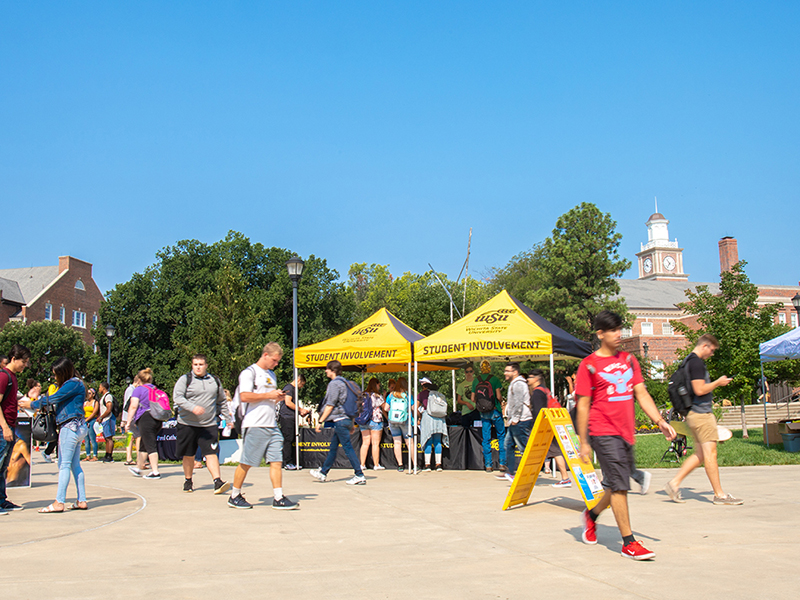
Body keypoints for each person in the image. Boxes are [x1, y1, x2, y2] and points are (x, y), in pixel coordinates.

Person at [576, 310, 676, 560]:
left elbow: (641, 394)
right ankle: (628, 543)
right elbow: (584, 406)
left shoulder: (629, 361)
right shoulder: (588, 365)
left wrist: (660, 420)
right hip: (603, 431)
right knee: (621, 486)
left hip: (625, 432)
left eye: (620, 329)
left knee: (614, 484)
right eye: (612, 330)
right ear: (600, 333)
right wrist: (584, 442)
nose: (619, 334)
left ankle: (592, 515)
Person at [664, 334, 743, 506]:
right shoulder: (696, 363)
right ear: (705, 346)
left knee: (700, 455)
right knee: (710, 454)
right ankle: (719, 495)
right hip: (701, 415)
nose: (712, 354)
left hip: (693, 414)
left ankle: (674, 483)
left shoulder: (687, 361)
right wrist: (718, 382)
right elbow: (699, 389)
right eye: (712, 350)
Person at [228, 343, 297, 510]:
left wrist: (276, 398)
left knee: (276, 460)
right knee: (247, 461)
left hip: (271, 424)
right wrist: (269, 395)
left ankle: (278, 497)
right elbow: (244, 396)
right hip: (255, 423)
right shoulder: (249, 373)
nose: (276, 364)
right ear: (265, 355)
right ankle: (234, 495)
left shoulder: (271, 375)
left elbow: (266, 398)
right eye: (274, 360)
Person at [22, 356, 91, 513]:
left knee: (64, 464)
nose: (54, 377)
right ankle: (81, 500)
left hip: (70, 427)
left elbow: (54, 399)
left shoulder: (72, 383)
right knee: (74, 465)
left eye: (55, 374)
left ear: (63, 372)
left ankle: (59, 502)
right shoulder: (78, 383)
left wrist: (31, 404)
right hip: (79, 426)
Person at [173, 354, 232, 495]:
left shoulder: (214, 381)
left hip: (208, 424)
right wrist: (192, 407)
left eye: (201, 364)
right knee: (188, 455)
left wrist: (228, 419)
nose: (198, 367)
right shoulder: (185, 380)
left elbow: (222, 401)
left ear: (206, 365)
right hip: (187, 423)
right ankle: (188, 480)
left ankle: (217, 481)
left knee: (211, 453)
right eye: (195, 364)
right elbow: (177, 397)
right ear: (192, 365)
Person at [309, 360, 366, 485]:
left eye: (327, 369)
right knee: (334, 448)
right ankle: (323, 473)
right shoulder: (345, 382)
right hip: (345, 419)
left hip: (340, 419)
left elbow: (330, 404)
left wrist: (320, 420)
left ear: (332, 371)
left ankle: (359, 474)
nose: (325, 371)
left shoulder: (335, 384)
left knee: (347, 447)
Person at [527, 369, 571, 487]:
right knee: (553, 451)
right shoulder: (545, 390)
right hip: (552, 424)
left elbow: (539, 412)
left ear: (536, 379)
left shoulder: (537, 393)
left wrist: (535, 427)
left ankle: (565, 478)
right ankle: (564, 477)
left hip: (544, 426)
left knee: (538, 451)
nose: (528, 379)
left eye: (530, 377)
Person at [0, 345, 31, 513]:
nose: (25, 365)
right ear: (14, 359)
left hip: (11, 426)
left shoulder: (12, 377)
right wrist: (4, 426)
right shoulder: (4, 377)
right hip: (3, 427)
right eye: (23, 362)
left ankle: (2, 500)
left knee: (4, 466)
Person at [125, 368, 163, 479]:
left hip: (146, 418)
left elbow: (133, 406)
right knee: (143, 444)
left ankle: (155, 472)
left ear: (139, 380)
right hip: (157, 418)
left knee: (150, 445)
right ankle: (139, 467)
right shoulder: (155, 389)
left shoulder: (138, 390)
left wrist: (128, 422)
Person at [499, 363, 532, 483]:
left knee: (523, 447)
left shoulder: (518, 384)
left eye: (507, 371)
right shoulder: (514, 384)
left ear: (515, 372)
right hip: (516, 420)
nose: (505, 373)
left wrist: (515, 419)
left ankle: (528, 473)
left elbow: (518, 402)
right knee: (508, 444)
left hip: (521, 421)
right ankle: (510, 471)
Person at [471, 361, 506, 473]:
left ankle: (488, 465)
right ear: (489, 368)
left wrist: (481, 404)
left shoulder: (476, 380)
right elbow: (499, 396)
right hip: (495, 410)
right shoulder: (495, 379)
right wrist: (500, 402)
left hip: (483, 413)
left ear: (480, 368)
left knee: (486, 438)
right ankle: (502, 463)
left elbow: (472, 399)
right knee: (501, 436)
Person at [385, 377, 416, 473]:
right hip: (405, 420)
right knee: (409, 442)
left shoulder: (391, 395)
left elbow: (386, 408)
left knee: (397, 442)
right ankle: (414, 465)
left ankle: (400, 465)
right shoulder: (407, 395)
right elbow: (413, 408)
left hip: (393, 421)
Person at [279, 373, 308, 470]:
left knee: (292, 439)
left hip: (291, 416)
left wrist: (300, 412)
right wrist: (300, 410)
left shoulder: (292, 389)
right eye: (302, 385)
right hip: (286, 417)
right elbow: (288, 402)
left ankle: (292, 461)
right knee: (288, 439)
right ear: (299, 381)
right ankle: (287, 462)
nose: (301, 387)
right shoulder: (289, 388)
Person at [418, 377, 448, 471]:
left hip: (428, 417)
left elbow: (414, 407)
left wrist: (419, 416)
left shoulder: (422, 394)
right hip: (439, 419)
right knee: (437, 441)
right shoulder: (438, 394)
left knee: (428, 440)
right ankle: (438, 464)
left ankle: (427, 465)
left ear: (424, 385)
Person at [358, 377, 385, 471]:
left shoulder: (363, 395)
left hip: (363, 421)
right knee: (375, 443)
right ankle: (376, 465)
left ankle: (362, 464)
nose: (379, 386)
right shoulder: (377, 395)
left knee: (365, 443)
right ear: (376, 384)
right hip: (375, 420)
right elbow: (385, 407)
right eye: (378, 384)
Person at [122, 377, 139, 465]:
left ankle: (129, 457)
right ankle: (134, 457)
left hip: (128, 416)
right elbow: (129, 404)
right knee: (137, 437)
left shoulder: (129, 389)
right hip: (131, 417)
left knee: (130, 437)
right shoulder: (131, 390)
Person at [97, 382, 116, 463]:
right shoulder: (104, 397)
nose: (99, 389)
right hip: (105, 419)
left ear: (103, 388)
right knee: (106, 438)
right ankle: (107, 454)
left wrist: (101, 417)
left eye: (99, 387)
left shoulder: (108, 397)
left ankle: (109, 456)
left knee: (109, 438)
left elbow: (109, 409)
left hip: (108, 419)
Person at [83, 387, 99, 461]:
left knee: (92, 438)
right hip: (85, 420)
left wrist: (87, 420)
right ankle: (88, 455)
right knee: (86, 439)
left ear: (93, 394)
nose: (88, 395)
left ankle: (95, 455)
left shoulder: (95, 402)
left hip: (92, 420)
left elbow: (94, 413)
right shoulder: (85, 403)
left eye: (89, 393)